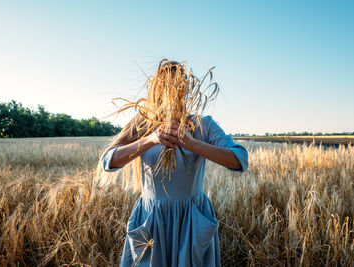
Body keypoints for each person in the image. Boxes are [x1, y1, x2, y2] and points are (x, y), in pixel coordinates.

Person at [99, 60, 248, 267]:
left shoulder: (203, 124)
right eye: (165, 87)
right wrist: (150, 139)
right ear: (156, 90)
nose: (172, 94)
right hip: (151, 219)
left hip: (191, 220)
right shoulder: (143, 123)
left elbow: (240, 160)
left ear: (186, 90)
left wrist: (192, 144)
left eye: (178, 87)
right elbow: (108, 160)